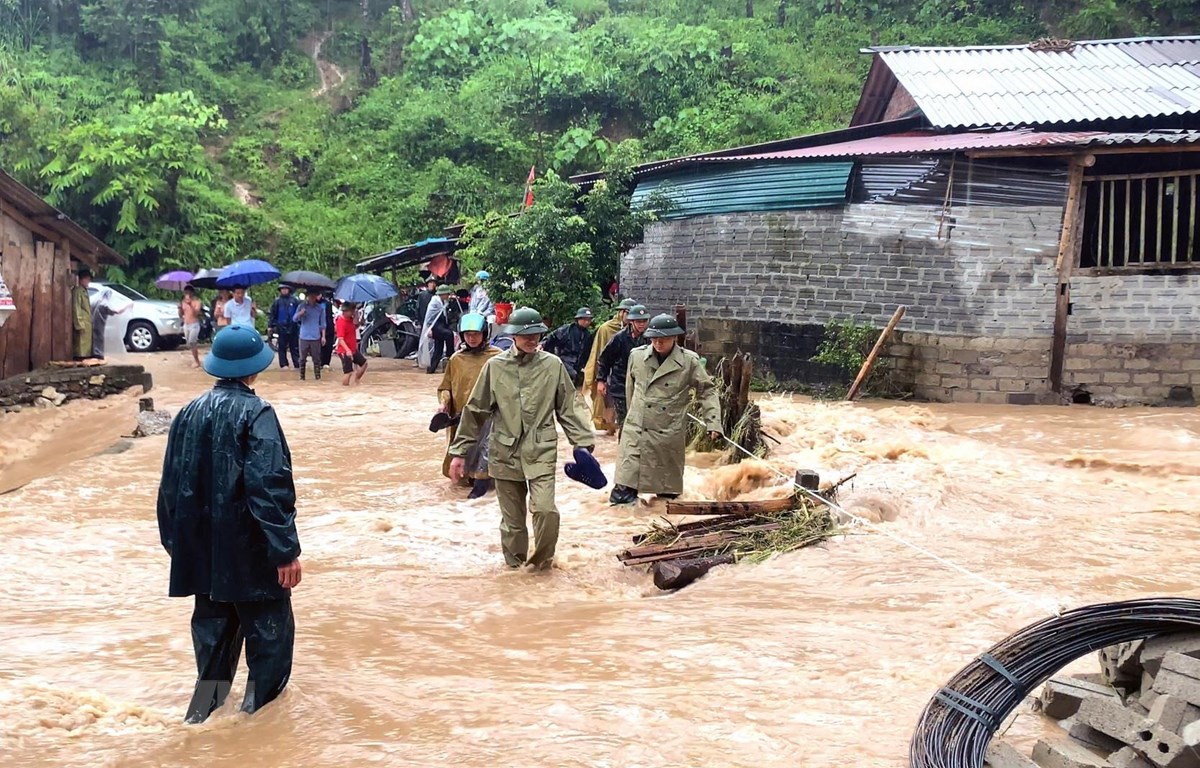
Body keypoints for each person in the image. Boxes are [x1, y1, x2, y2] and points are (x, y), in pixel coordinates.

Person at [156, 323, 302, 724]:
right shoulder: (258, 413)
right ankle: (256, 726)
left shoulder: (188, 413)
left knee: (214, 644)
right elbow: (269, 487)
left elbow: (170, 486)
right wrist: (285, 551)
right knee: (269, 642)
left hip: (204, 555)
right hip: (251, 555)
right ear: (254, 369)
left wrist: (178, 545)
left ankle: (203, 721)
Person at [449, 307, 594, 570]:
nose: (532, 340)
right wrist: (459, 452)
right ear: (512, 336)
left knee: (545, 511)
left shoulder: (552, 365)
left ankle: (540, 567)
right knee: (513, 523)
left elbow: (569, 408)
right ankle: (516, 571)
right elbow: (475, 411)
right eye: (526, 335)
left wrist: (582, 445)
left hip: (541, 449)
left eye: (537, 334)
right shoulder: (495, 367)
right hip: (504, 452)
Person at [609, 314, 723, 505]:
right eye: (654, 339)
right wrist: (631, 417)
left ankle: (661, 528)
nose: (658, 343)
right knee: (622, 493)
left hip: (667, 433)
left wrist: (713, 422)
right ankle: (625, 529)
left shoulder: (688, 361)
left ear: (674, 338)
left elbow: (707, 391)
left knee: (666, 501)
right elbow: (630, 389)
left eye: (662, 339)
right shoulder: (637, 356)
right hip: (636, 431)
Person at [438, 312, 501, 498]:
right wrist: (443, 404)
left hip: (489, 417)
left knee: (487, 457)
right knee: (463, 462)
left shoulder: (498, 357)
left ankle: (480, 497)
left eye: (476, 334)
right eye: (468, 334)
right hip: (463, 417)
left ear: (484, 333)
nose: (472, 338)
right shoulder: (456, 359)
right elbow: (446, 387)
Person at [583, 298, 636, 434]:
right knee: (609, 404)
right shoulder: (606, 329)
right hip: (612, 374)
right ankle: (611, 429)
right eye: (627, 313)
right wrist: (600, 378)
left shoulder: (638, 331)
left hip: (631, 373)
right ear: (621, 313)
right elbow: (600, 355)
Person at [596, 305, 650, 431]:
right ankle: (624, 448)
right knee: (625, 422)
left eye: (644, 321)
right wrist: (600, 380)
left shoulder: (650, 338)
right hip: (621, 385)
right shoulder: (619, 338)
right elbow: (605, 360)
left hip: (642, 384)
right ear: (632, 321)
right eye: (638, 321)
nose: (641, 324)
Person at [542, 307, 594, 389]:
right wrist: (542, 345)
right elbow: (552, 337)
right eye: (584, 319)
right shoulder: (567, 329)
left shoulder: (588, 335)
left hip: (577, 364)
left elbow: (587, 352)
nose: (587, 322)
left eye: (588, 320)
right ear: (578, 319)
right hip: (564, 359)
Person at [293, 291, 326, 381]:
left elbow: (323, 323)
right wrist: (300, 313)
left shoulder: (320, 308)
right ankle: (302, 377)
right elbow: (294, 319)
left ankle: (317, 377)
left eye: (313, 295)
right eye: (310, 295)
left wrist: (323, 336)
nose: (312, 297)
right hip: (304, 335)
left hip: (315, 336)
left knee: (316, 359)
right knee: (302, 359)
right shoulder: (302, 306)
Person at [91, 287, 130, 360]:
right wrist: (128, 306)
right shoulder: (105, 303)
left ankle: (94, 354)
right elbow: (117, 311)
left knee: (93, 339)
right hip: (99, 324)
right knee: (99, 339)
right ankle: (98, 355)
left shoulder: (96, 301)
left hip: (92, 323)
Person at [425, 285, 456, 374]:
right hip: (435, 326)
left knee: (439, 348)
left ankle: (431, 368)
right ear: (442, 294)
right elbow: (429, 316)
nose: (448, 296)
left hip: (440, 325)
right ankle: (450, 355)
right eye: (447, 294)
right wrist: (429, 328)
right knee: (449, 335)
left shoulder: (442, 301)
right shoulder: (435, 302)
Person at [335, 303, 368, 386]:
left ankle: (357, 379)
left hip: (352, 349)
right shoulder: (341, 321)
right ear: (346, 311)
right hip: (344, 351)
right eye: (352, 311)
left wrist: (360, 322)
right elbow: (340, 339)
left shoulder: (350, 319)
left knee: (364, 364)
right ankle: (345, 389)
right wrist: (348, 350)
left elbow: (353, 328)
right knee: (348, 372)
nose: (353, 313)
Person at [268, 285, 300, 369]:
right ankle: (283, 364)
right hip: (281, 327)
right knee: (282, 346)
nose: (284, 291)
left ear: (289, 290)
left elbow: (299, 313)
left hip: (293, 326)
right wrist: (270, 326)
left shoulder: (294, 300)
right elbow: (272, 314)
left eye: (286, 289)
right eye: (282, 289)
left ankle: (297, 363)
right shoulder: (277, 302)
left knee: (294, 346)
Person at [180, 285, 205, 368]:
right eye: (186, 293)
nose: (187, 294)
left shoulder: (197, 302)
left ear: (192, 293)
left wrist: (190, 304)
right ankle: (195, 358)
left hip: (194, 324)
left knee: (192, 342)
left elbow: (196, 313)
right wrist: (180, 308)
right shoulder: (183, 302)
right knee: (189, 343)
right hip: (186, 324)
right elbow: (181, 315)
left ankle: (196, 360)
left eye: (188, 293)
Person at [72, 268, 93, 360]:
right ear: (81, 279)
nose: (88, 282)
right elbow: (76, 308)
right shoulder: (77, 291)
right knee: (80, 347)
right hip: (82, 322)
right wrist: (79, 325)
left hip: (87, 322)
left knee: (86, 346)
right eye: (87, 279)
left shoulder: (84, 291)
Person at [320, 294, 336, 370]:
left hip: (329, 328)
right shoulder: (313, 304)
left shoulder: (327, 303)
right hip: (318, 328)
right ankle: (320, 363)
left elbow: (329, 316)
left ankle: (326, 363)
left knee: (328, 347)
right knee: (319, 347)